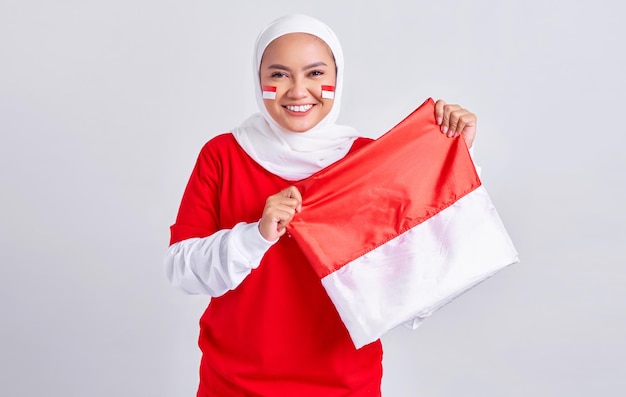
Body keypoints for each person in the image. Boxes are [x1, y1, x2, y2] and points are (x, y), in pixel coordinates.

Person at [165, 14, 477, 397]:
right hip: (233, 384)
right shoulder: (222, 155)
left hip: (344, 384)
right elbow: (182, 271)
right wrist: (255, 236)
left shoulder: (368, 161)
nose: (298, 91)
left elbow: (421, 264)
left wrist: (456, 155)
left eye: (314, 74)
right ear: (258, 78)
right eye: (278, 75)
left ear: (337, 77)